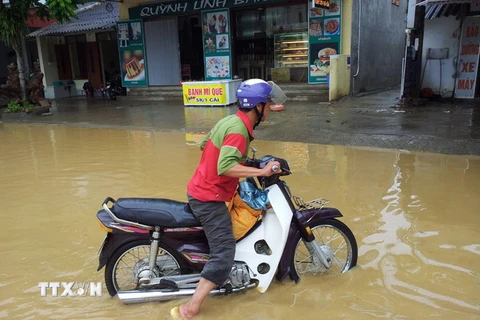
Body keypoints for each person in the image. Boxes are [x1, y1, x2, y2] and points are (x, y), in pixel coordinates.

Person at [171, 79, 287, 320]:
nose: (269, 109)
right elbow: (225, 166)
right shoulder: (238, 130)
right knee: (224, 252)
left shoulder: (230, 121)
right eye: (267, 104)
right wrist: (261, 172)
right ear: (258, 107)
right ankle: (190, 308)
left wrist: (247, 162)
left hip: (202, 188)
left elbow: (205, 145)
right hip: (208, 198)